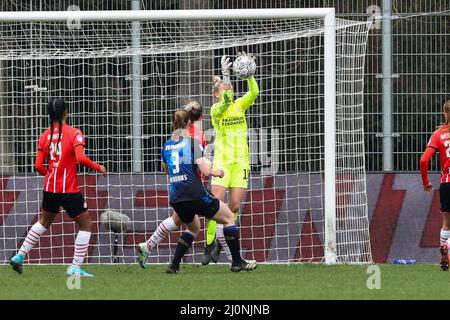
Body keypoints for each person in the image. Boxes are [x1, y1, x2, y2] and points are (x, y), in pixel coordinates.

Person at [9, 98, 107, 277]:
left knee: (43, 222)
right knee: (86, 224)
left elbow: (38, 165)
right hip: (68, 190)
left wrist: (52, 174)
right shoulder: (75, 133)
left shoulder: (44, 135)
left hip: (49, 189)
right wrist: (98, 166)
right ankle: (75, 267)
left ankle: (20, 255)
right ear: (65, 113)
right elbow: (80, 158)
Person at [161, 109, 256, 273]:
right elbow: (204, 170)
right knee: (228, 217)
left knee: (193, 227)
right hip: (195, 194)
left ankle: (174, 265)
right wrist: (215, 172)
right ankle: (237, 261)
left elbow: (167, 170)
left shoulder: (167, 145)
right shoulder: (192, 142)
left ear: (173, 123)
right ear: (189, 123)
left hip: (176, 197)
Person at [202, 52, 260, 264]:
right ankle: (208, 244)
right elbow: (226, 100)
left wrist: (249, 75)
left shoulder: (239, 106)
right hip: (223, 162)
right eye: (226, 89)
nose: (230, 91)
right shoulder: (217, 110)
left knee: (234, 206)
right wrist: (226, 75)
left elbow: (254, 92)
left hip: (241, 163)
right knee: (215, 204)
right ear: (217, 94)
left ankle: (220, 242)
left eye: (231, 88)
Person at [136, 101, 207, 268]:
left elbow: (167, 166)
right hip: (193, 186)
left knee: (179, 221)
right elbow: (199, 163)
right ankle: (232, 257)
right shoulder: (197, 136)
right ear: (199, 117)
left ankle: (149, 247)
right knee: (222, 216)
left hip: (178, 185)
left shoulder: (173, 138)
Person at [420, 99, 450, 271]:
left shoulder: (438, 134)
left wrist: (425, 182)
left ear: (444, 113)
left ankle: (444, 260)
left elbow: (424, 160)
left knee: (446, 224)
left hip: (446, 183)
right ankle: (447, 248)